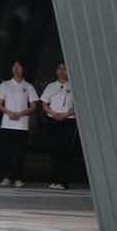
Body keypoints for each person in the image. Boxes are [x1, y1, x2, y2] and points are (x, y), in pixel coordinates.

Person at [0, 60, 39, 187]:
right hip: (7, 123)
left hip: (22, 125)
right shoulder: (5, 85)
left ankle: (19, 178)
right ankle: (6, 177)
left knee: (20, 153)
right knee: (7, 152)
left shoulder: (29, 86)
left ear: (23, 69)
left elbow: (34, 106)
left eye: (18, 66)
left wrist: (20, 114)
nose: (16, 68)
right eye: (14, 66)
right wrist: (9, 113)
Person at [40, 60, 75, 190]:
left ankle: (63, 181)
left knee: (65, 151)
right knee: (54, 149)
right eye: (59, 68)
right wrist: (53, 114)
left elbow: (76, 106)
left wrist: (65, 115)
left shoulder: (72, 86)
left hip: (68, 120)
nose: (61, 71)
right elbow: (44, 104)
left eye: (64, 69)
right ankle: (53, 179)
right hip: (53, 119)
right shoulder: (50, 86)